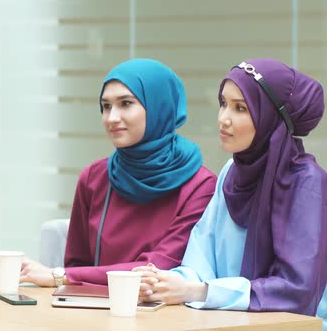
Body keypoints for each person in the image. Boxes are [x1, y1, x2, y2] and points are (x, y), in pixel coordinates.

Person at [134, 58, 327, 329]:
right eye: (223, 103)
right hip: (226, 322)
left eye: (240, 108)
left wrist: (199, 291)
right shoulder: (231, 172)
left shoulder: (307, 183)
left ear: (271, 117)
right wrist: (164, 281)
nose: (223, 119)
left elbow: (297, 291)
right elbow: (200, 259)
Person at [20, 59, 217, 287]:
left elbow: (155, 268)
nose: (112, 118)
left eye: (125, 104)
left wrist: (60, 276)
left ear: (158, 107)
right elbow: (77, 264)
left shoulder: (200, 185)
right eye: (106, 106)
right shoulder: (94, 178)